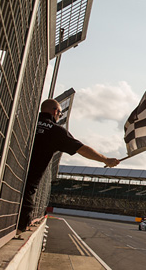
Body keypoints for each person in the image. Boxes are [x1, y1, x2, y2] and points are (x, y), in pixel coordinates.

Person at [18, 98, 120, 231]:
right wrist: (106, 160)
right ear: (55, 111)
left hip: (7, 172)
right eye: (60, 114)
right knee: (22, 218)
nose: (59, 117)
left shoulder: (26, 121)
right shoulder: (55, 131)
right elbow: (82, 149)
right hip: (29, 183)